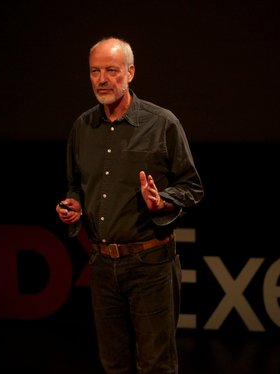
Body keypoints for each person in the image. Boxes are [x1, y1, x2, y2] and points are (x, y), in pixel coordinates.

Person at [55, 36, 204, 373]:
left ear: (130, 72)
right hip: (103, 265)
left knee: (156, 364)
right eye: (95, 71)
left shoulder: (162, 123)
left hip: (150, 264)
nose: (102, 79)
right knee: (113, 364)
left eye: (111, 70)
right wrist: (74, 204)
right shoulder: (82, 127)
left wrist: (162, 201)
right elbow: (75, 185)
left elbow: (192, 187)